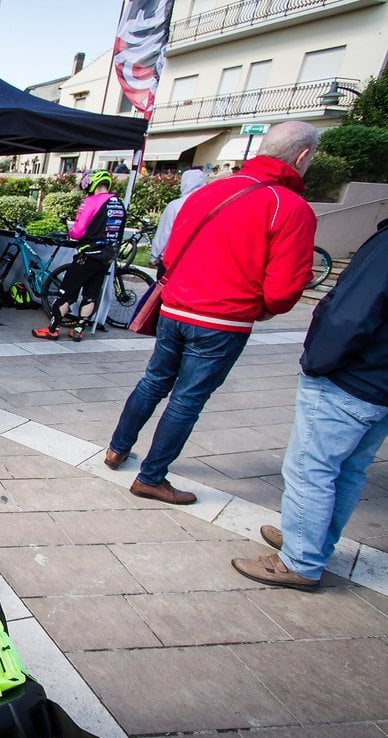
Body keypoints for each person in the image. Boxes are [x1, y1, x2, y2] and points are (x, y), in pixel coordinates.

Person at [103, 121, 319, 505]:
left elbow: (169, 255)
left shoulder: (211, 192)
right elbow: (284, 290)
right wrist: (261, 307)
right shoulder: (289, 207)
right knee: (187, 399)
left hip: (176, 308)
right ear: (302, 157)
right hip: (223, 320)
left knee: (153, 381)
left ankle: (117, 449)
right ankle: (151, 477)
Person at [232, 219, 388, 591]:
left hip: (354, 377)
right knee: (348, 469)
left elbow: (352, 313)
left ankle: (301, 559)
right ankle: (312, 542)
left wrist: (317, 361)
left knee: (311, 470)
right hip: (379, 383)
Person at [32, 169, 125, 342]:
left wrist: (72, 232)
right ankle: (79, 329)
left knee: (66, 292)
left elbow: (77, 231)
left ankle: (53, 329)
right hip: (105, 257)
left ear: (92, 183)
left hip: (87, 254)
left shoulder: (91, 202)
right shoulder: (118, 203)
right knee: (91, 294)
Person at [149, 168, 206, 275]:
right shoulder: (209, 206)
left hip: (171, 260)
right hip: (197, 263)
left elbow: (164, 233)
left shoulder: (175, 206)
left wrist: (154, 256)